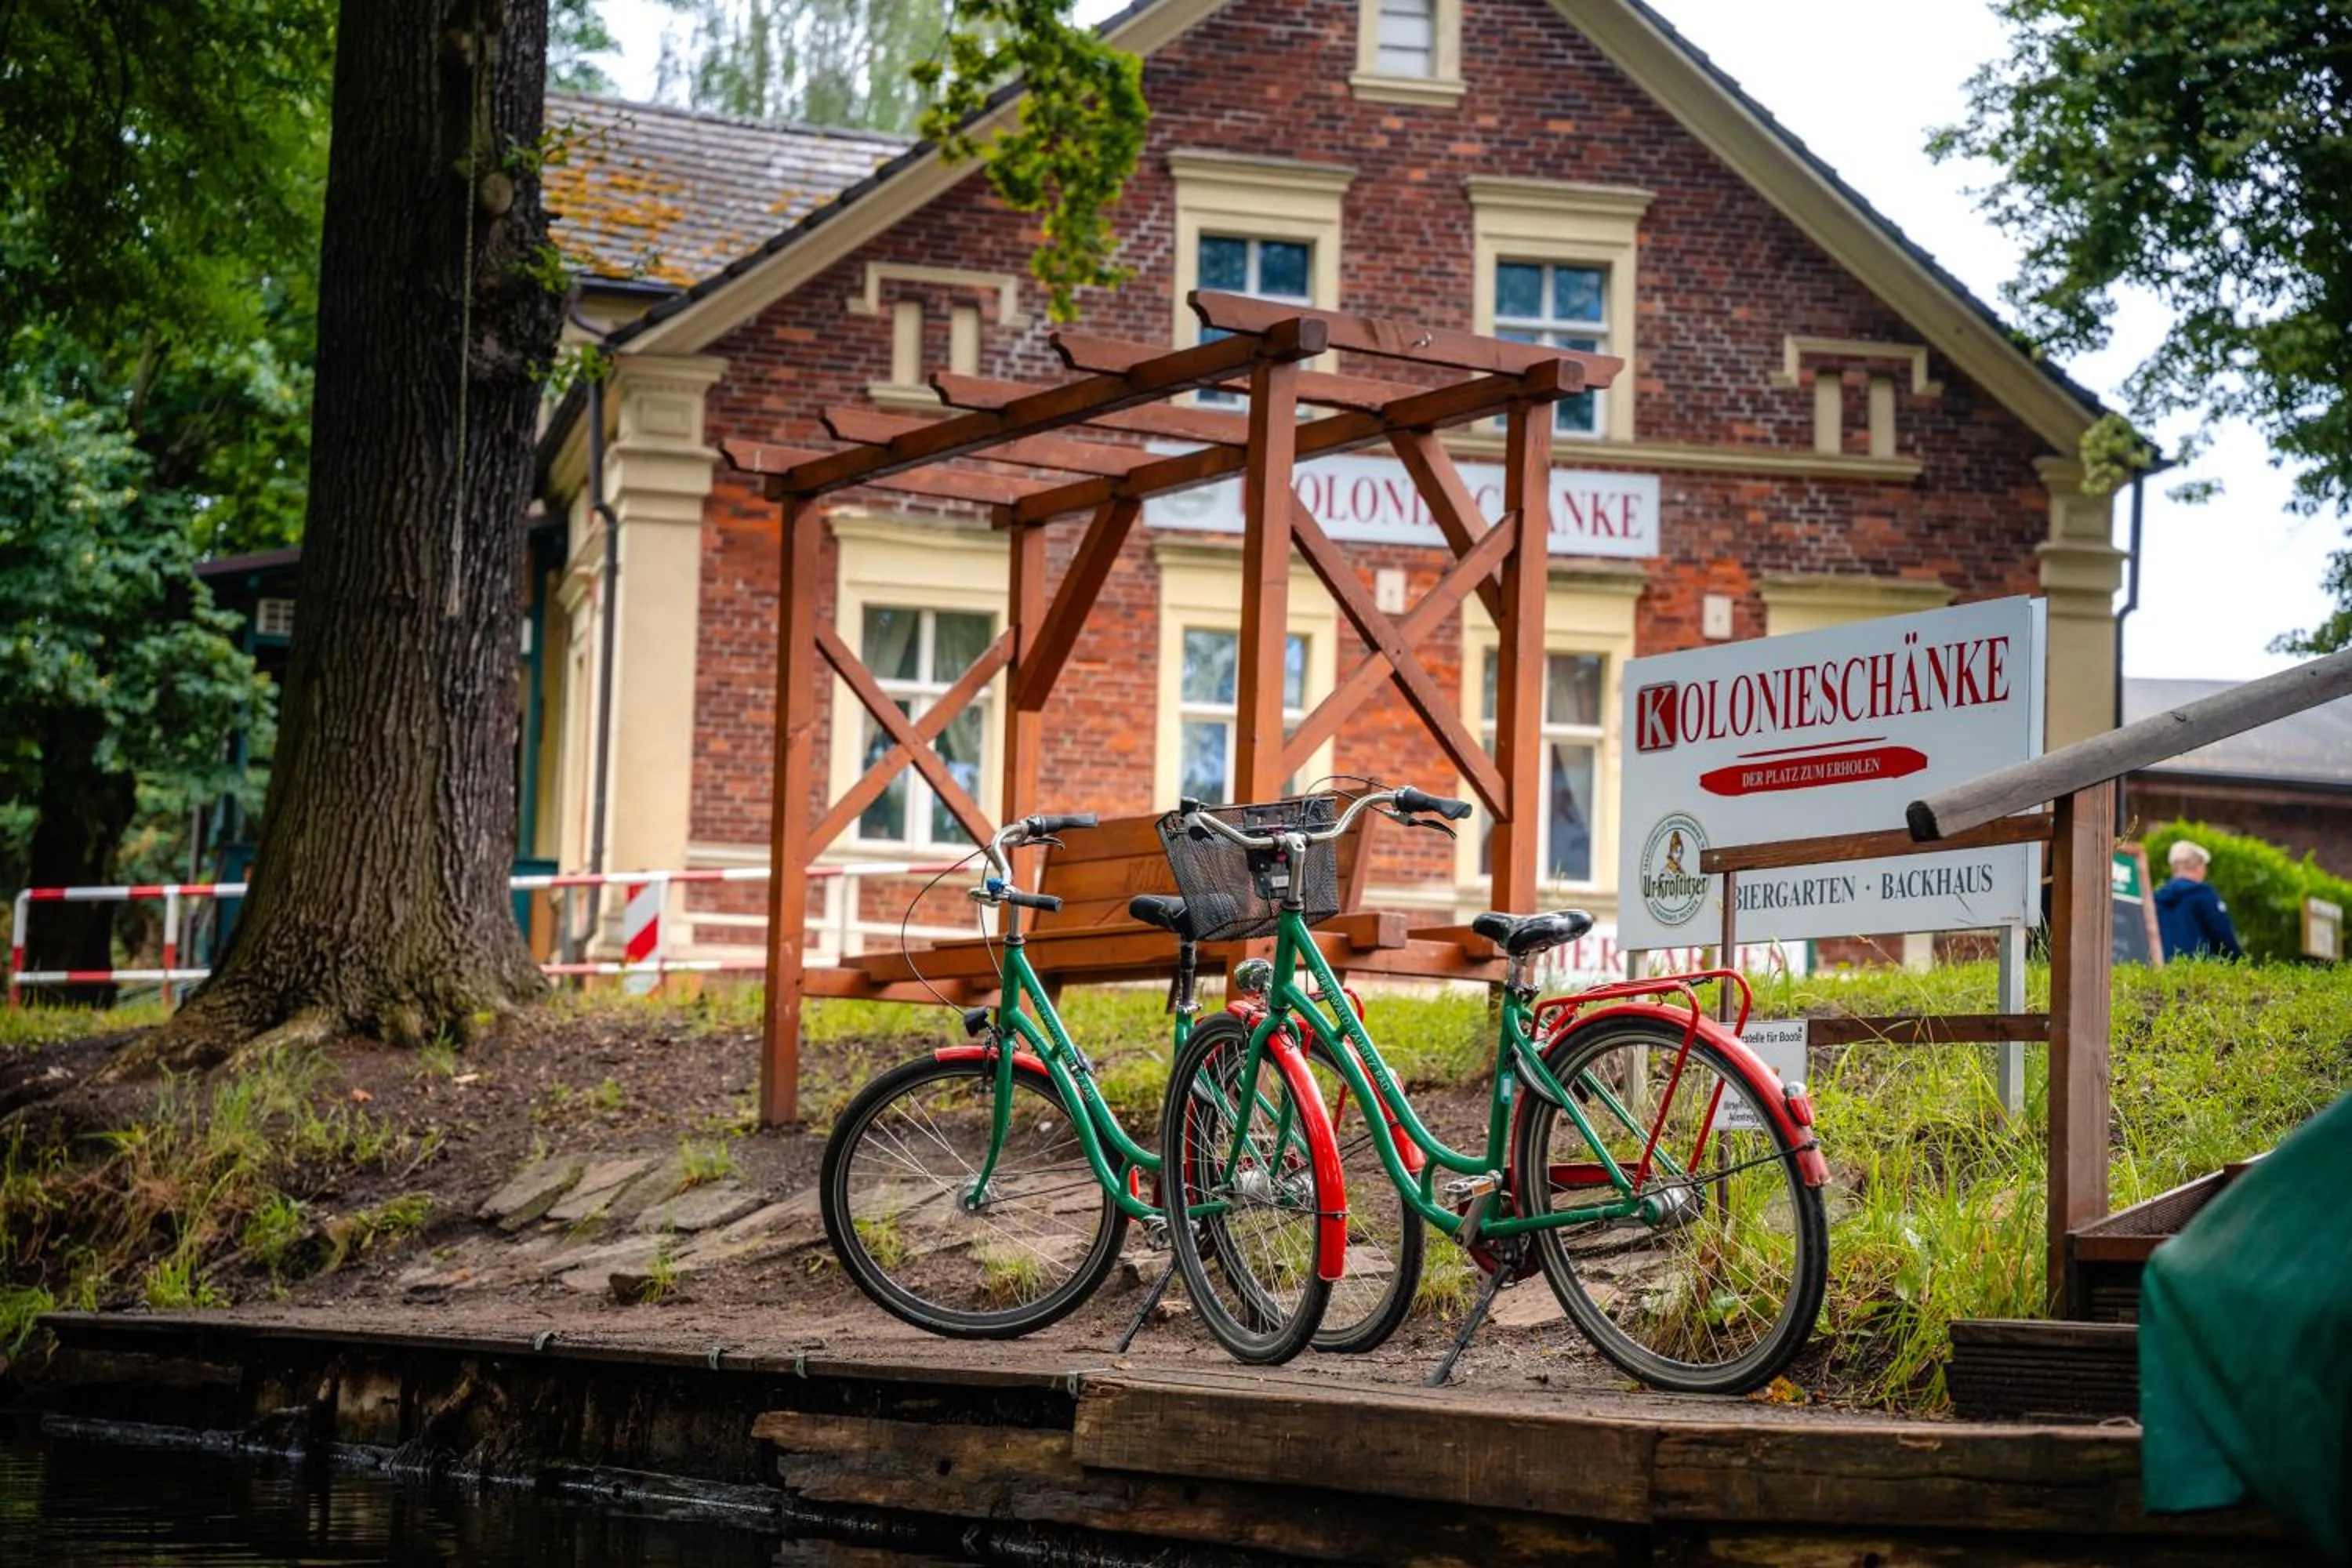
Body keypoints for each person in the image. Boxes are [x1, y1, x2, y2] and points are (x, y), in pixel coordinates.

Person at [2154, 840, 2245, 960]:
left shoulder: (2156, 899)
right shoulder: (2204, 895)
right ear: (2198, 866)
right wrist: (2239, 962)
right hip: (2199, 967)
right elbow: (2223, 934)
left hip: (2163, 967)